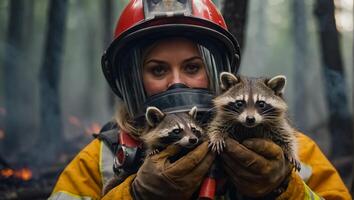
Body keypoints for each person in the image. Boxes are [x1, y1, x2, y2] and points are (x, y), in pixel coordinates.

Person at [49, 0, 351, 199]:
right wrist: (135, 194)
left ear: (219, 72)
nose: (177, 81)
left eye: (193, 67)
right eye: (157, 69)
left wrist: (284, 189)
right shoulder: (103, 159)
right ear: (131, 80)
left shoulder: (290, 149)